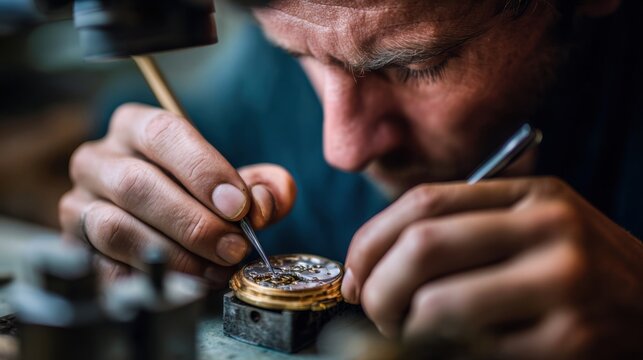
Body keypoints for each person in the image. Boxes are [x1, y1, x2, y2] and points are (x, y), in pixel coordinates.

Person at [59, 0, 643, 358]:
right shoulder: (309, 37)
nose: (342, 147)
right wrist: (128, 206)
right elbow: (146, 129)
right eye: (298, 56)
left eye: (414, 65)